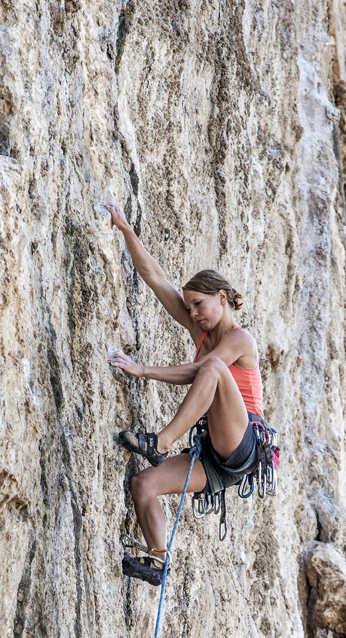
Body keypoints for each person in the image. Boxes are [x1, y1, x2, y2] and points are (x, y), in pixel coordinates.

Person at [105, 200, 263, 586]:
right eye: (190, 306)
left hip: (244, 442)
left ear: (221, 299)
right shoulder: (202, 332)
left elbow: (201, 371)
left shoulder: (240, 339)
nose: (192, 314)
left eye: (199, 305)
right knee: (143, 485)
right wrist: (127, 232)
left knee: (212, 367)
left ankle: (159, 442)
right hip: (215, 454)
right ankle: (158, 561)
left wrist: (142, 369)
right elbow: (157, 279)